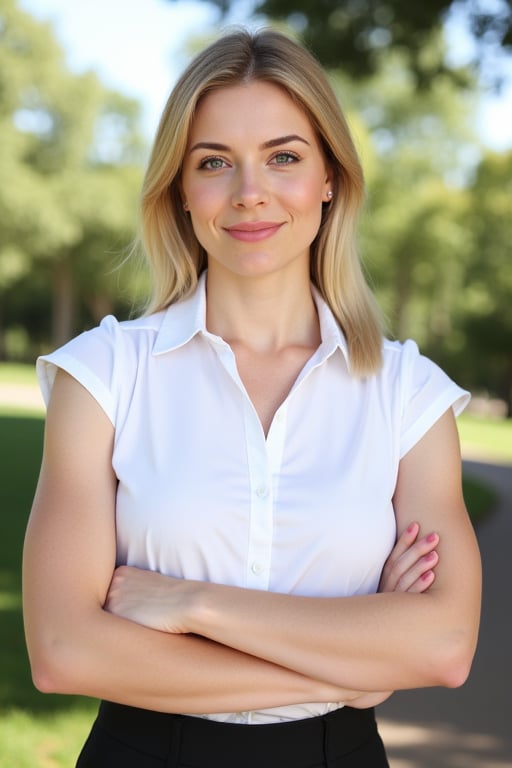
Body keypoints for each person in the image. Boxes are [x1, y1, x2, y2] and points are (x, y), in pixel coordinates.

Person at [23, 28, 481, 768]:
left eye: (284, 157)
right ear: (179, 188)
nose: (249, 193)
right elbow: (64, 651)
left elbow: (446, 646)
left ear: (330, 177)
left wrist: (191, 606)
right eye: (214, 163)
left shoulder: (407, 394)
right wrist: (358, 668)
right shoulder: (104, 375)